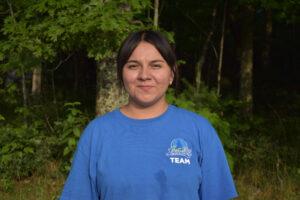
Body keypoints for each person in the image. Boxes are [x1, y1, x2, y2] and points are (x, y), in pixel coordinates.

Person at [59, 30, 238, 200]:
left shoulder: (199, 129)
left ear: (171, 73)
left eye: (156, 65)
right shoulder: (97, 133)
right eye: (133, 66)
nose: (144, 75)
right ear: (121, 74)